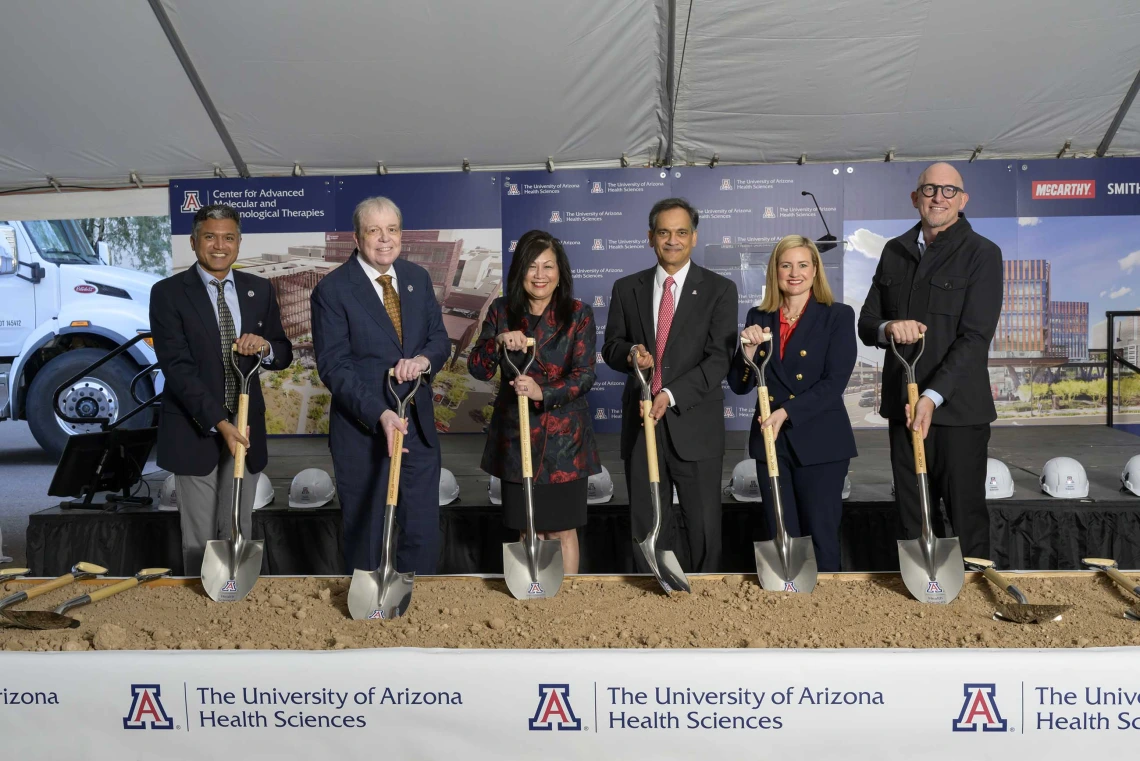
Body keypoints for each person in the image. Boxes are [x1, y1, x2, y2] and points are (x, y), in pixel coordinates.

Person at [857, 162, 1003, 559]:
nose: (939, 197)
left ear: (963, 200)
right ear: (915, 197)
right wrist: (890, 328)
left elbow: (975, 338)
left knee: (965, 515)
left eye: (949, 190)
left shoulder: (983, 254)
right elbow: (866, 322)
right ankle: (924, 596)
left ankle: (972, 594)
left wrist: (932, 396)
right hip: (904, 408)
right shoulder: (894, 251)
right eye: (930, 189)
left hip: (957, 412)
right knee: (913, 513)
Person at [311, 196, 450, 575]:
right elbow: (334, 367)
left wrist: (423, 361)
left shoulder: (417, 278)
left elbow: (439, 339)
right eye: (374, 230)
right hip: (364, 431)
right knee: (367, 531)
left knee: (422, 530)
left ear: (401, 234)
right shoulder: (333, 290)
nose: (384, 239)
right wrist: (380, 413)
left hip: (416, 428)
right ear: (357, 237)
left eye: (392, 229)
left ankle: (415, 611)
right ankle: (372, 614)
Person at [150, 204, 292, 576]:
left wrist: (265, 347)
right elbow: (177, 368)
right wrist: (219, 422)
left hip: (245, 426)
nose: (219, 245)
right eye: (210, 237)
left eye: (228, 237)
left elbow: (283, 350)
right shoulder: (168, 294)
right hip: (195, 426)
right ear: (195, 242)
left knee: (236, 527)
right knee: (199, 537)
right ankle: (202, 608)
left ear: (239, 243)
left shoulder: (258, 290)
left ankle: (233, 600)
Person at [602, 198, 737, 573]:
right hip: (642, 423)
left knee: (703, 525)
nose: (672, 240)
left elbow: (719, 359)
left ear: (693, 238)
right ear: (650, 238)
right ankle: (653, 594)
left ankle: (705, 599)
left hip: (695, 424)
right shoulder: (626, 287)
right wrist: (631, 354)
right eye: (664, 232)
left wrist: (671, 394)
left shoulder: (720, 289)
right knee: (647, 521)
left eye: (681, 232)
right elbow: (611, 346)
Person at [468, 230, 601, 574]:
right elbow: (478, 369)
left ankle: (567, 602)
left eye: (548, 266)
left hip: (564, 445)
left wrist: (544, 392)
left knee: (561, 529)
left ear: (560, 273)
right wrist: (497, 342)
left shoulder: (578, 314)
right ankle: (532, 598)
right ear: (519, 271)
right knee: (527, 527)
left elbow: (585, 375)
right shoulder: (501, 311)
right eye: (531, 266)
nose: (539, 275)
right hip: (516, 440)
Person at [727, 235, 857, 571]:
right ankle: (790, 611)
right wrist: (748, 352)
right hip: (772, 442)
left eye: (802, 265)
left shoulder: (838, 316)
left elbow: (834, 384)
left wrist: (787, 411)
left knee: (821, 535)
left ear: (815, 271)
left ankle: (828, 611)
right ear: (775, 271)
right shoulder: (759, 315)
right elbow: (739, 385)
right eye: (786, 265)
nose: (794, 273)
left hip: (820, 443)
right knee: (782, 532)